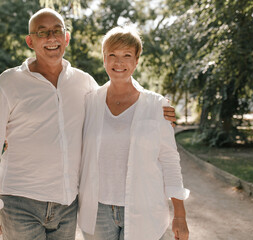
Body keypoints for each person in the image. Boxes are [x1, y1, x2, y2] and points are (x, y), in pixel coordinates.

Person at [0, 8, 177, 240]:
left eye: (57, 31)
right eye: (42, 33)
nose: (51, 38)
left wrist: (155, 110)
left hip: (67, 205)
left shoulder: (85, 83)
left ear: (66, 38)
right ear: (30, 41)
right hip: (19, 201)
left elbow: (117, 100)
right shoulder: (8, 83)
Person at [78, 27, 190, 240]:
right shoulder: (89, 101)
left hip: (144, 207)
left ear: (137, 60)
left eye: (127, 55)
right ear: (104, 58)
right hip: (97, 211)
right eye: (112, 55)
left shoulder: (157, 105)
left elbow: (169, 160)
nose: (118, 62)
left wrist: (180, 214)